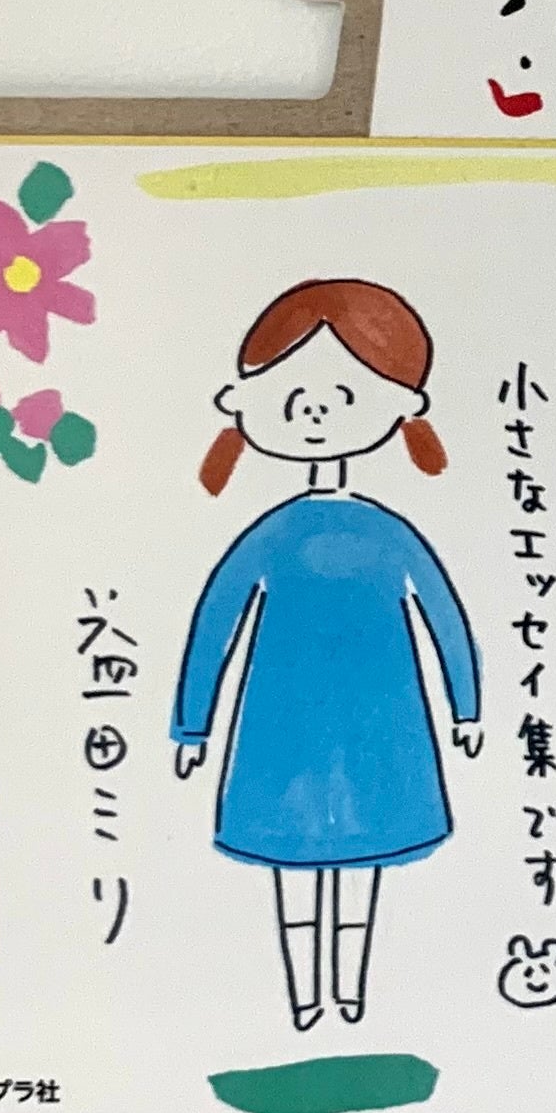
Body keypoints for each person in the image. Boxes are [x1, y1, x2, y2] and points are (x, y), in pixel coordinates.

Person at [172, 279, 481, 1028]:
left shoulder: (388, 532)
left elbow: (443, 614)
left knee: (365, 859)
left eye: (341, 395)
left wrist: (467, 708)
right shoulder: (271, 533)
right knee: (291, 861)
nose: (314, 412)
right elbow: (216, 621)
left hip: (380, 717)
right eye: (293, 395)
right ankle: (306, 996)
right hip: (282, 720)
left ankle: (350, 992)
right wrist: (192, 724)